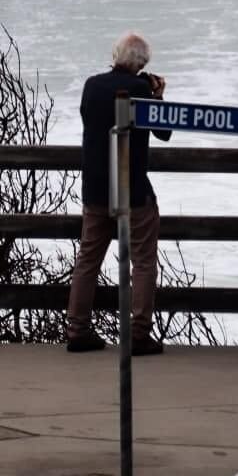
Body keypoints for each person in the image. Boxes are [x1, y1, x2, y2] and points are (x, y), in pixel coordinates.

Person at [65, 31, 171, 356]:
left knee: (87, 260)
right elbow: (164, 131)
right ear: (142, 64)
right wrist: (158, 94)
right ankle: (138, 334)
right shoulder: (141, 89)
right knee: (143, 262)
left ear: (115, 56)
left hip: (95, 188)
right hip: (134, 189)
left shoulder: (92, 85)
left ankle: (77, 329)